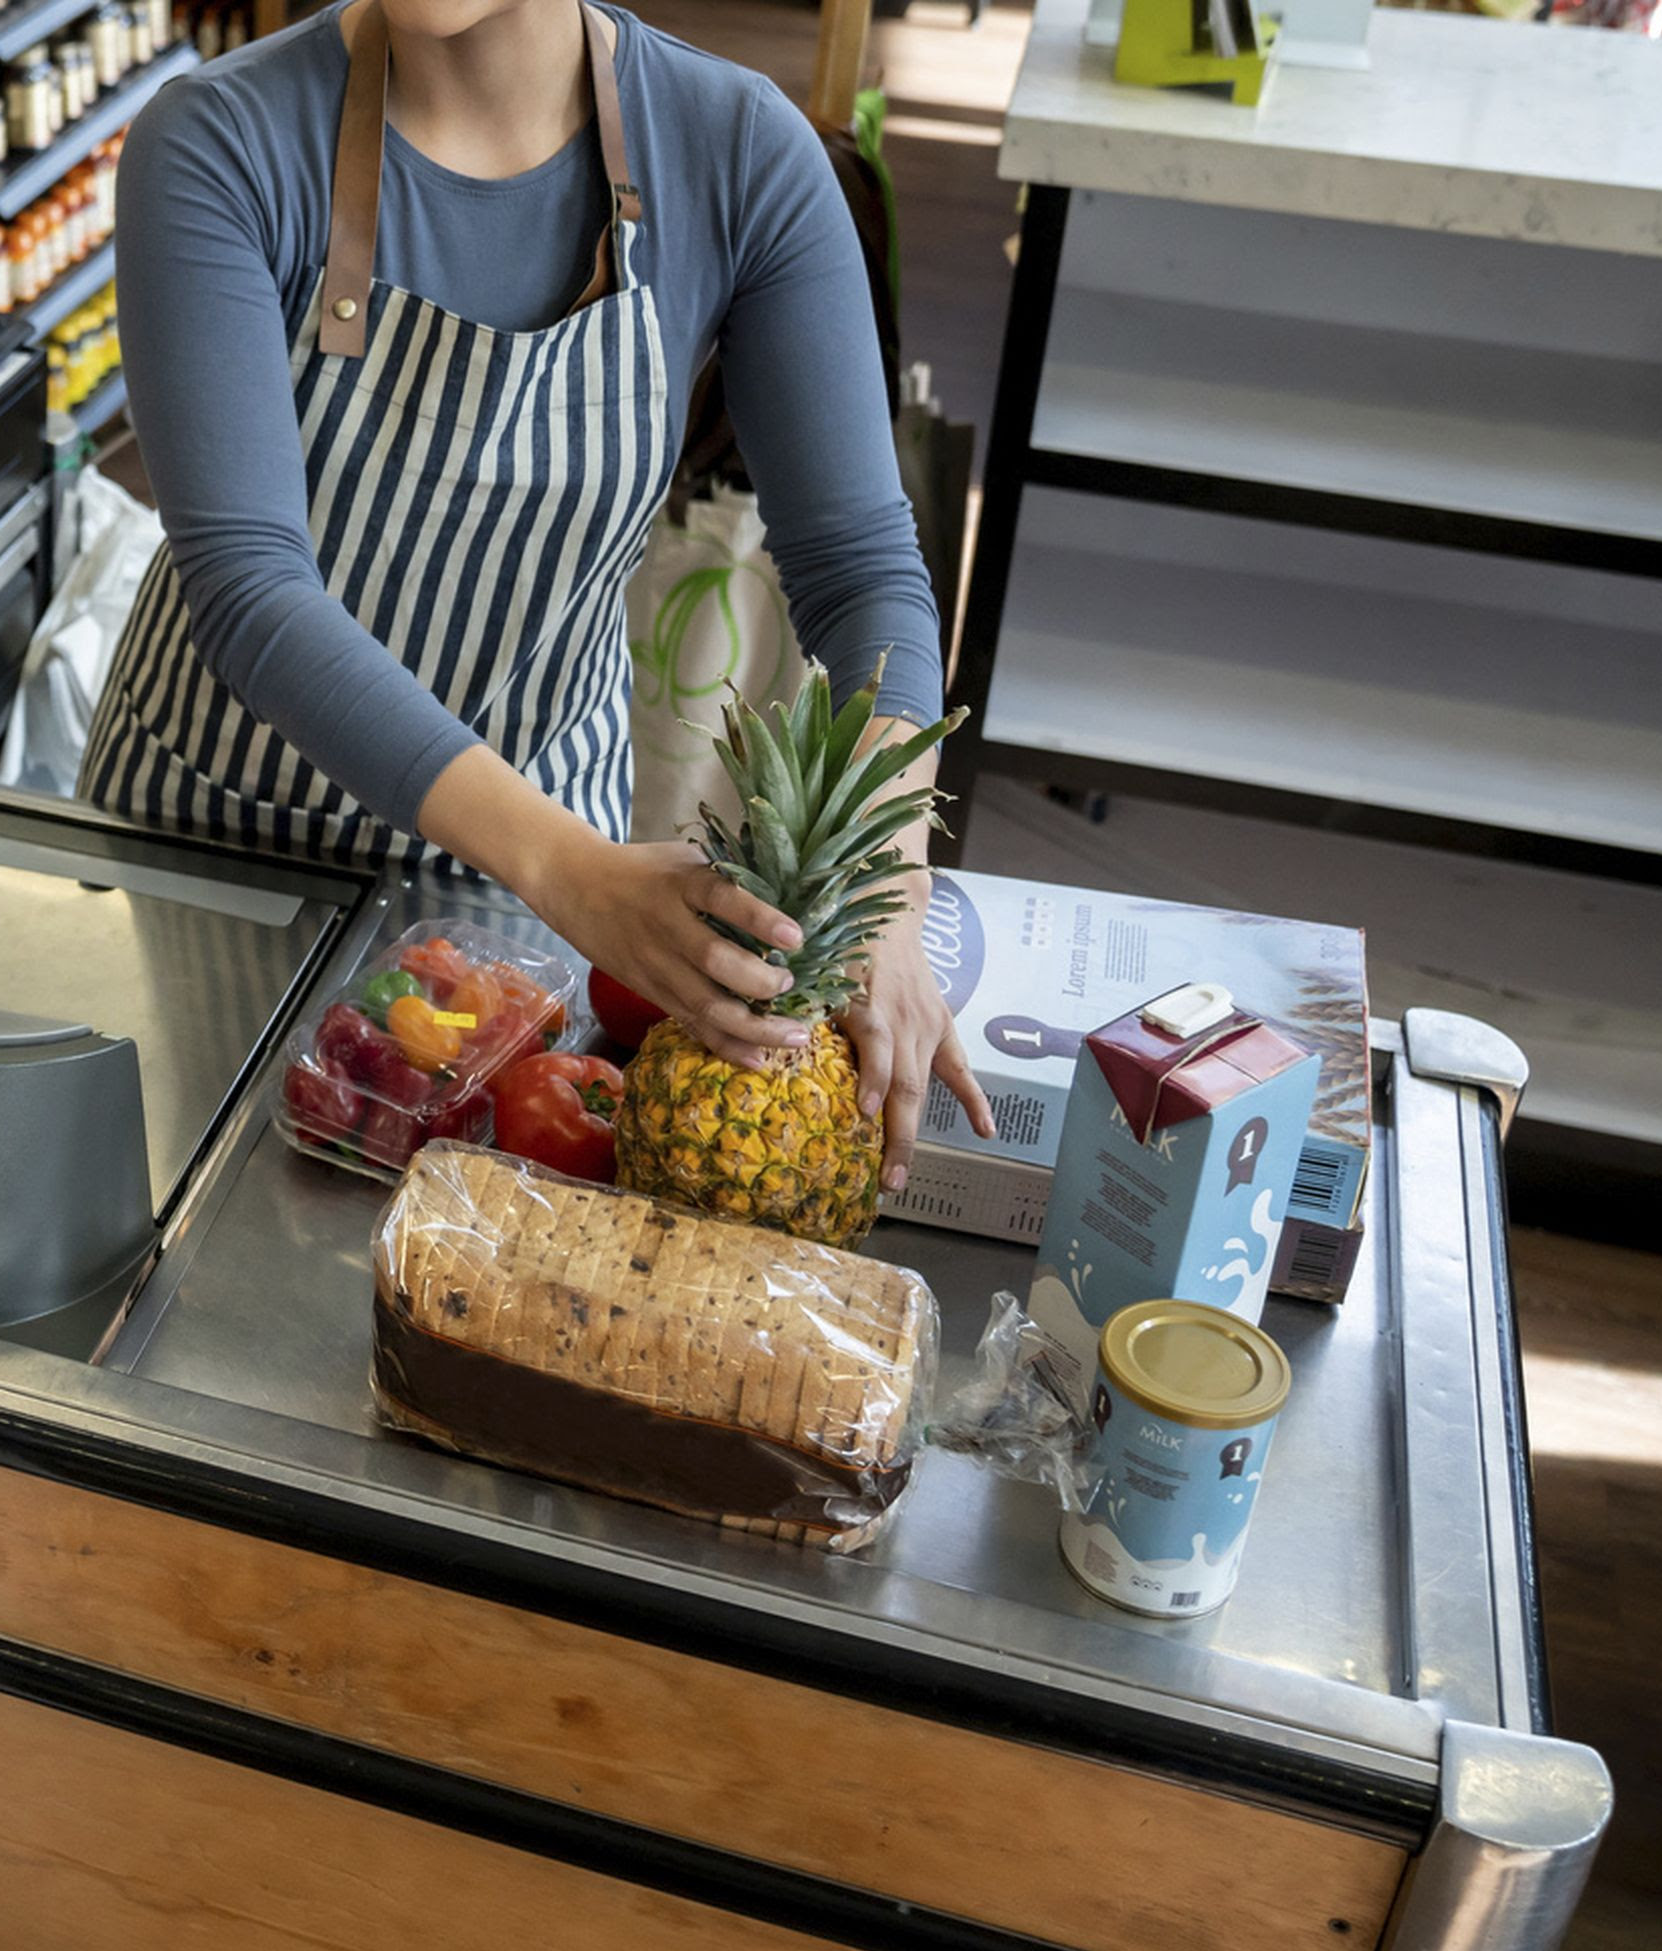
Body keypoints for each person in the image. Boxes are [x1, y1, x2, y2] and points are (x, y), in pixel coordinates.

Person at [89, 0, 994, 1175]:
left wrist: (888, 873)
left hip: (511, 905)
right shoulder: (217, 141)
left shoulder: (737, 153)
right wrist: (577, 871)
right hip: (214, 861)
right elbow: (253, 590)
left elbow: (866, 571)